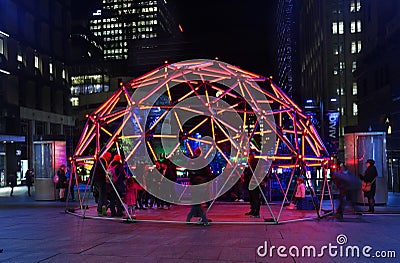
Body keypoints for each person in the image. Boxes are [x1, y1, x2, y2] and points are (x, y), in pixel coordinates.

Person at [186, 148, 211, 226]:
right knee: (197, 202)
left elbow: (189, 171)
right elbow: (207, 172)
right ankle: (203, 219)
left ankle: (197, 218)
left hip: (194, 183)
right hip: (200, 183)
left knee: (196, 202)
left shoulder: (191, 161)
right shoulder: (202, 161)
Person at [92, 152, 112, 216]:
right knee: (102, 195)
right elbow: (103, 171)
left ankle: (102, 208)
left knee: (102, 195)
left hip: (96, 180)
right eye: (109, 157)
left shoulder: (99, 161)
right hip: (100, 180)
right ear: (106, 156)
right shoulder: (102, 161)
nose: (109, 159)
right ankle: (100, 209)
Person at [243, 153, 261, 218]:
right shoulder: (250, 164)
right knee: (252, 197)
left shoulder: (254, 165)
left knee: (255, 197)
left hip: (254, 182)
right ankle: (253, 209)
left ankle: (256, 211)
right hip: (250, 182)